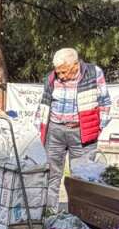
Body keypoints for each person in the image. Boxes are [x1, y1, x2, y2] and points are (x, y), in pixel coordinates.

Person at [36, 47, 111, 210]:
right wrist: (40, 129)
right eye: (58, 72)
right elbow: (44, 104)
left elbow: (105, 103)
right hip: (55, 131)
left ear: (76, 64)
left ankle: (79, 216)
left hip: (82, 133)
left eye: (64, 72)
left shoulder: (94, 73)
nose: (61, 76)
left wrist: (97, 129)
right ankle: (49, 213)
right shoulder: (51, 78)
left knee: (82, 179)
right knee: (51, 176)